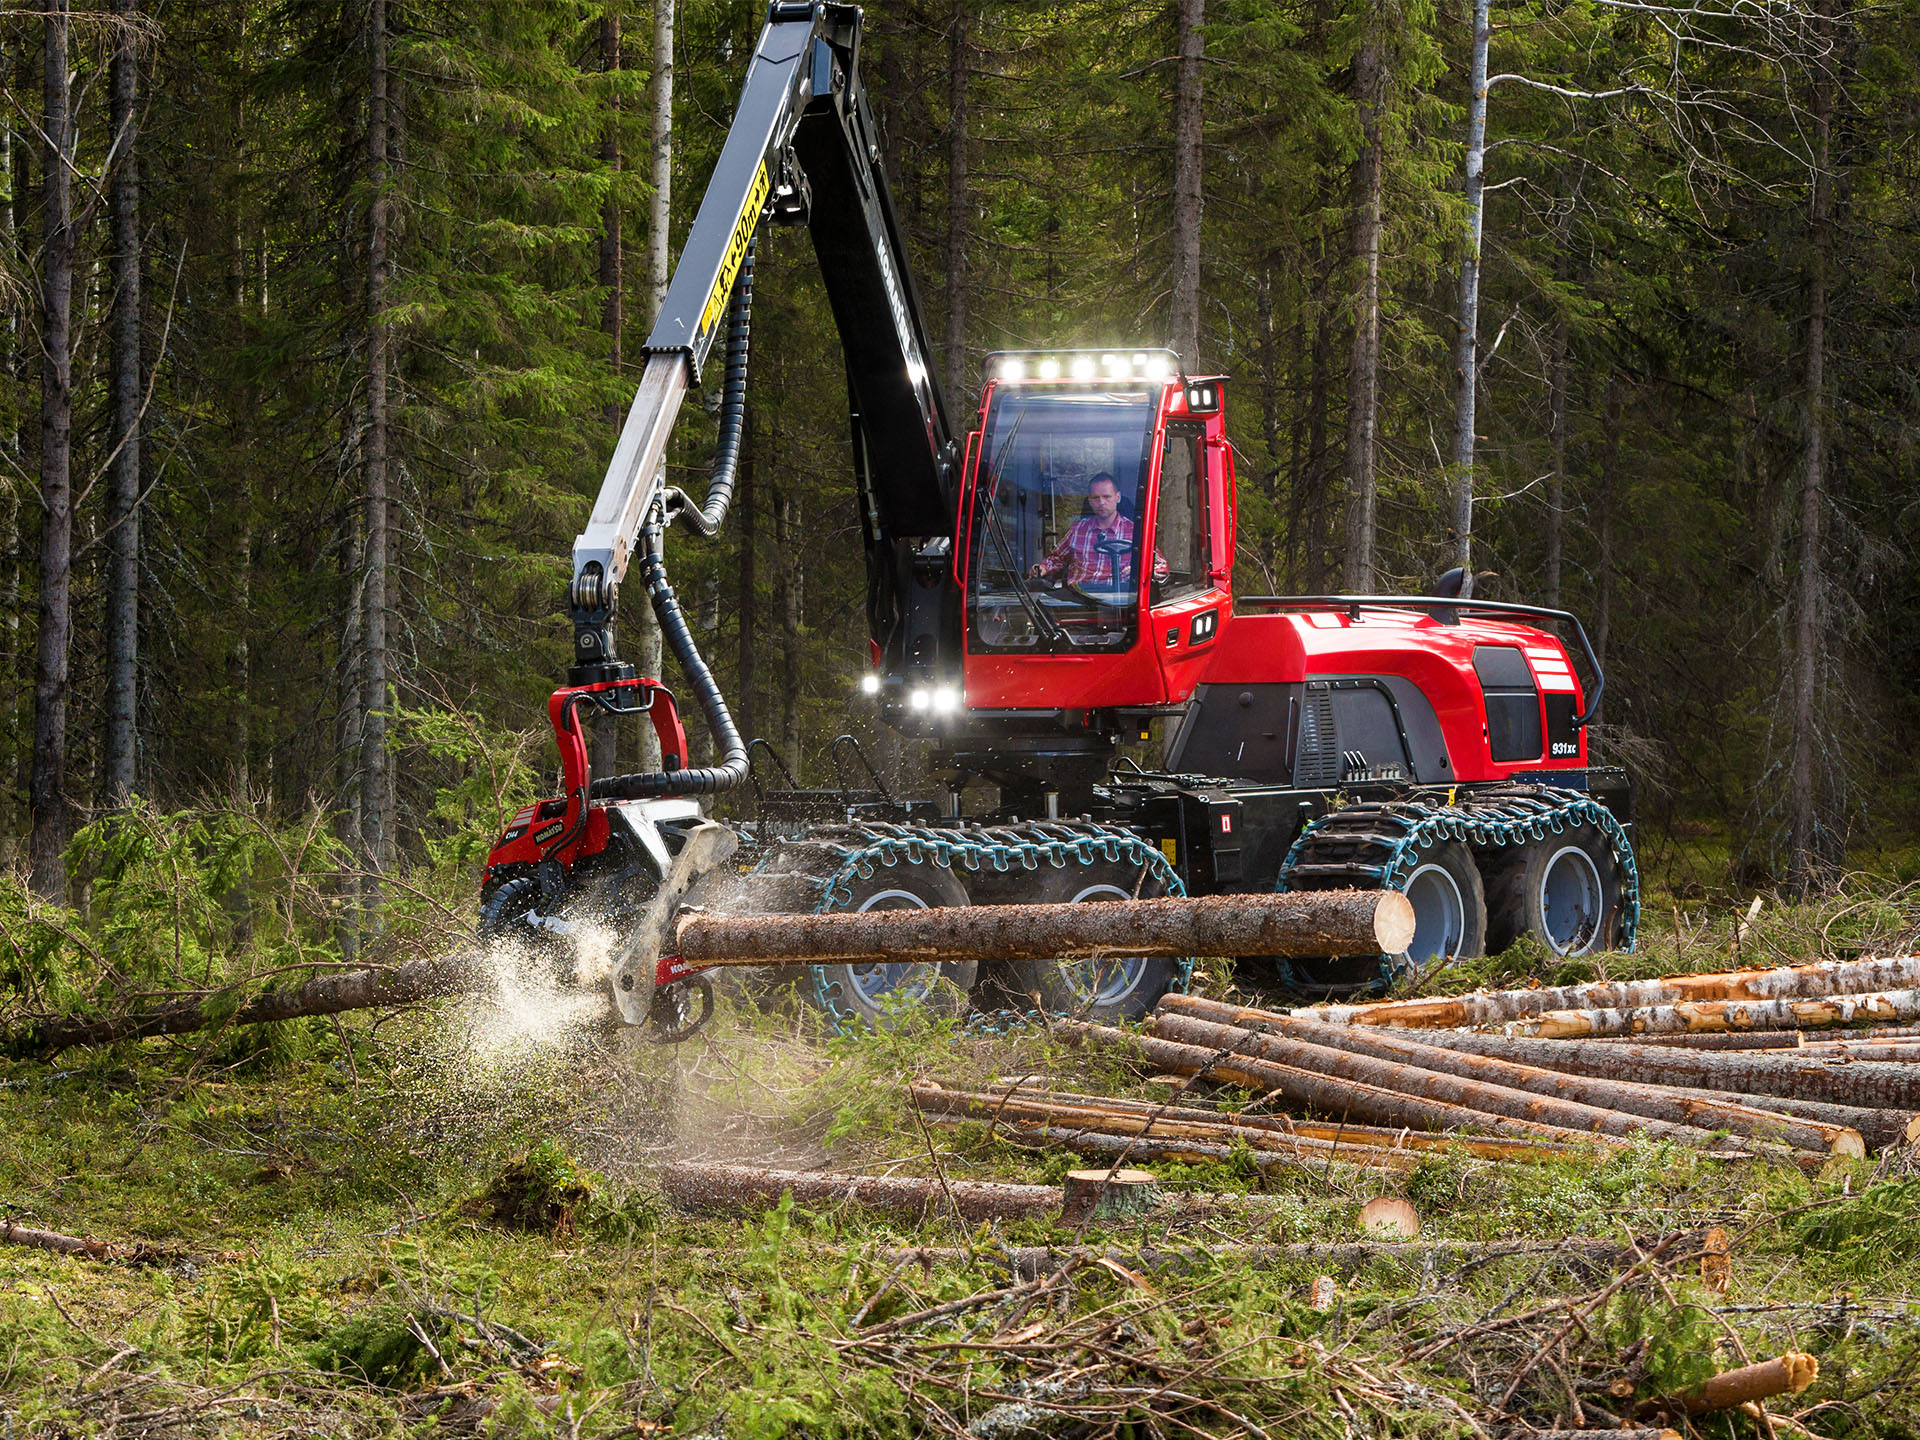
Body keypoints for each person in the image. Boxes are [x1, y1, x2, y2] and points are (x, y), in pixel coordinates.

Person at [1028, 473, 1169, 588]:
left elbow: (1161, 567)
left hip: (1117, 600)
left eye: (1106, 497)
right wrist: (1042, 568)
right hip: (1078, 599)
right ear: (1089, 500)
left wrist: (1139, 572)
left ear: (1117, 497)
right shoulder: (1078, 529)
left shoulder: (1135, 532)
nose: (1101, 502)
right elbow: (1057, 558)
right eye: (1096, 498)